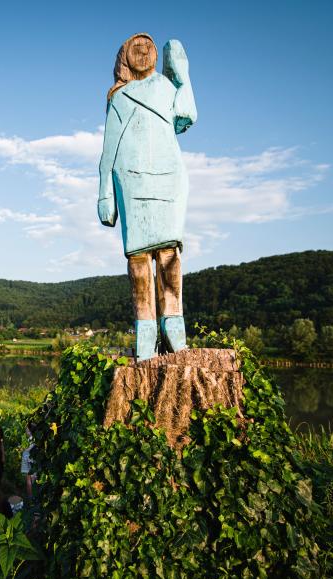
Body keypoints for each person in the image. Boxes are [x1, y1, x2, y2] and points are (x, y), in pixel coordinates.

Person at [97, 34, 197, 360]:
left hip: (169, 176)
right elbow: (108, 151)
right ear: (124, 57)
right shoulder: (119, 98)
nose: (142, 53)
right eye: (135, 49)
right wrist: (105, 194)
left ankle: (173, 321)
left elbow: (187, 115)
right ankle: (145, 327)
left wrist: (180, 71)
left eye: (147, 48)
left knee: (170, 255)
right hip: (132, 180)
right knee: (139, 260)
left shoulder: (167, 89)